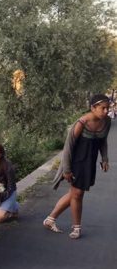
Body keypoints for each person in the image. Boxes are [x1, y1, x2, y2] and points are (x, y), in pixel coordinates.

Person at [44, 94, 111, 239]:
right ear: (92, 108)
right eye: (102, 108)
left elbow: (103, 141)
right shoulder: (81, 123)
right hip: (76, 162)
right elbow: (68, 148)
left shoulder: (106, 121)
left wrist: (104, 158)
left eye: (108, 108)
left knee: (75, 194)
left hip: (90, 161)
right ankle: (76, 228)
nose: (106, 111)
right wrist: (66, 169)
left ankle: (50, 219)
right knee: (78, 194)